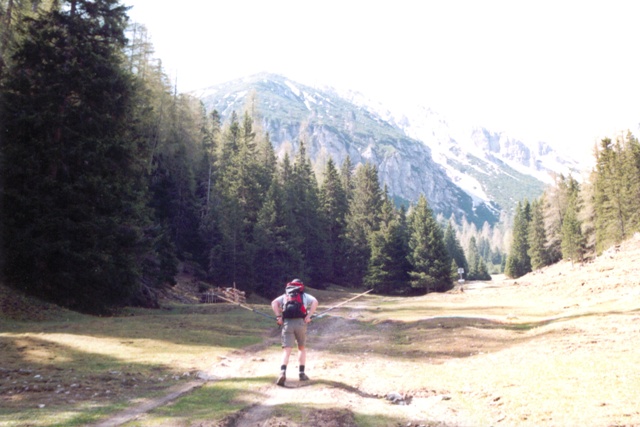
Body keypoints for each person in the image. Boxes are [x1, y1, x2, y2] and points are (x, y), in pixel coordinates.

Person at [271, 278, 318, 386]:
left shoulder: (285, 295)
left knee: (286, 351)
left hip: (287, 323)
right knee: (301, 348)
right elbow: (315, 302)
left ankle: (282, 372)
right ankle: (301, 373)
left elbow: (274, 303)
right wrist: (309, 316)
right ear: (301, 286)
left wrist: (279, 317)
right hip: (301, 323)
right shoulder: (304, 295)